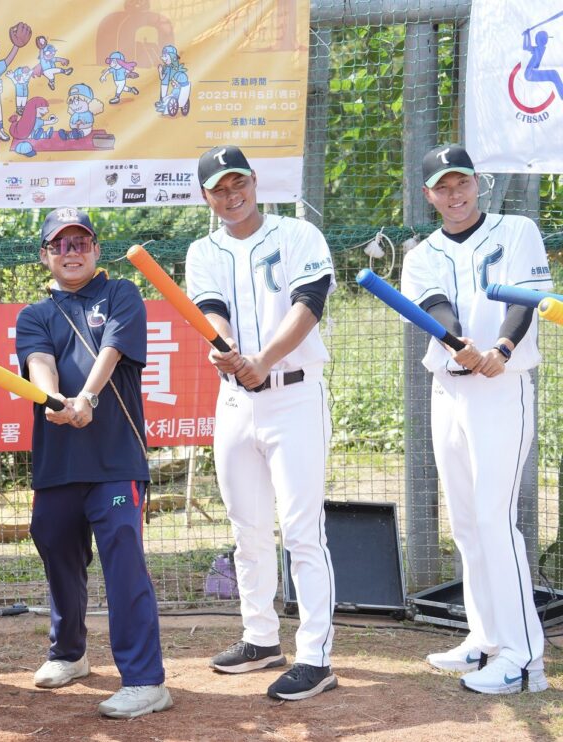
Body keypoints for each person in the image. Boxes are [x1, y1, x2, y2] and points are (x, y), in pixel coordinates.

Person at [185, 145, 338, 700]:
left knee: (301, 529)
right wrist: (227, 351)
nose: (231, 195)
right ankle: (260, 637)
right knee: (246, 527)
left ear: (254, 181)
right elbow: (210, 308)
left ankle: (316, 655)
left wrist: (262, 360)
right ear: (206, 197)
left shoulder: (298, 235)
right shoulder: (203, 249)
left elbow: (309, 303)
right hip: (235, 401)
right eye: (219, 189)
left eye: (238, 183)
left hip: (293, 395)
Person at [401, 144, 550, 694]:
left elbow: (526, 298)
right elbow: (437, 306)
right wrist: (458, 344)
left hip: (500, 388)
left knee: (494, 519)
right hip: (450, 386)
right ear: (429, 195)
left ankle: (523, 656)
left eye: (461, 182)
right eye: (442, 186)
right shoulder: (420, 254)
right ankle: (486, 637)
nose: (454, 194)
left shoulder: (516, 230)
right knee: (465, 524)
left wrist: (501, 349)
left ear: (476, 182)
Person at [14, 207, 173, 719]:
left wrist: (84, 398)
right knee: (57, 549)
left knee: (124, 561)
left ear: (95, 249)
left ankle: (146, 680)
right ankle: (70, 652)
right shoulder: (34, 314)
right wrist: (52, 401)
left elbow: (110, 352)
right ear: (45, 256)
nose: (71, 252)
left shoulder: (121, 293)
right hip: (58, 462)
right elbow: (39, 363)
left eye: (80, 242)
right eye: (60, 245)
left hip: (115, 460)